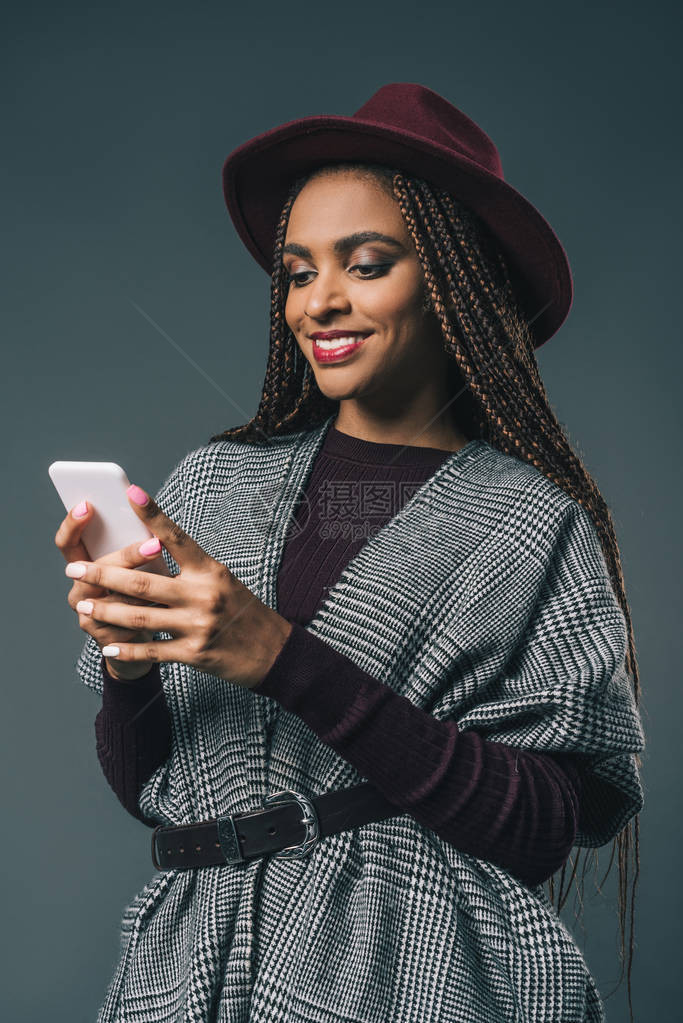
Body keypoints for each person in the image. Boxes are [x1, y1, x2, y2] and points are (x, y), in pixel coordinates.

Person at [55, 83, 646, 1022]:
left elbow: (544, 829)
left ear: (452, 280)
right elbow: (155, 791)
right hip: (188, 969)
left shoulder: (532, 524)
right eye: (295, 272)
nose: (318, 301)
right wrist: (129, 664)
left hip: (417, 968)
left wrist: (281, 658)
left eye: (365, 264)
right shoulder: (215, 483)